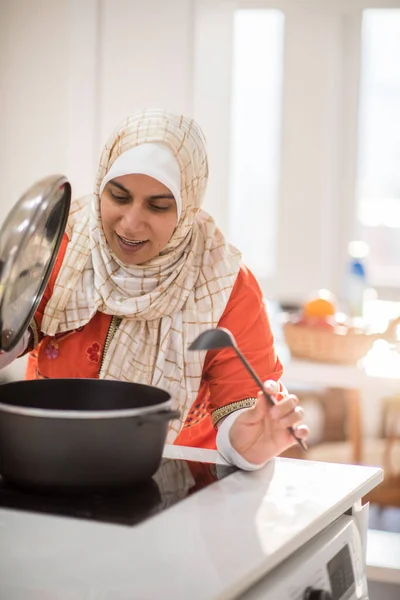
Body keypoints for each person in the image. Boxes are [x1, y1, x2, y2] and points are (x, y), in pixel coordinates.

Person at [0, 109, 308, 469]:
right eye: (118, 196)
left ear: (187, 206)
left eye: (158, 206)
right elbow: (13, 330)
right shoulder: (64, 244)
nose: (130, 223)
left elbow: (241, 412)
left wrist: (250, 442)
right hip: (47, 459)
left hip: (170, 477)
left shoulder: (223, 284)